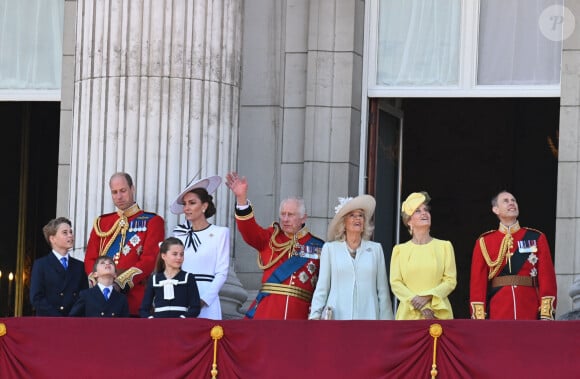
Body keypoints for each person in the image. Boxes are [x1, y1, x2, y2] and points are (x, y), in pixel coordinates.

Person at [225, 171, 324, 319]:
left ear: (303, 218)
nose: (285, 219)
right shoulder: (271, 237)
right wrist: (241, 198)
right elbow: (249, 231)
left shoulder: (318, 246)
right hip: (267, 312)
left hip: (299, 315)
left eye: (290, 215)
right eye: (282, 214)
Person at [84, 172, 165, 316]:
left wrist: (120, 283)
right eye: (114, 192)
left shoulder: (152, 221)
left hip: (134, 299)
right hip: (102, 299)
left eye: (123, 190)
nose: (119, 196)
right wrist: (99, 283)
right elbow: (90, 258)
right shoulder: (102, 223)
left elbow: (149, 260)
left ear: (132, 189)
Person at [470, 191, 557, 320]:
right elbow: (478, 283)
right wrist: (479, 317)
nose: (511, 203)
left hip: (529, 307)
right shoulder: (484, 241)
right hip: (499, 310)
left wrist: (546, 314)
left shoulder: (536, 237)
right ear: (496, 209)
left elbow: (547, 277)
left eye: (513, 200)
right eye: (506, 201)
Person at [309, 195, 393, 320]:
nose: (357, 219)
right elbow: (322, 287)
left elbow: (383, 291)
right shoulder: (330, 249)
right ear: (343, 222)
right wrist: (314, 316)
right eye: (352, 215)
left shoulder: (376, 249)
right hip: (337, 318)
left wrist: (387, 323)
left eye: (360, 215)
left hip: (368, 317)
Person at [389, 192, 457, 320]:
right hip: (408, 313)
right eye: (418, 211)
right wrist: (417, 302)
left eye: (426, 210)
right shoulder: (399, 250)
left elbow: (450, 281)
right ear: (409, 221)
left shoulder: (445, 246)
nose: (424, 213)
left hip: (438, 312)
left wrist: (428, 297)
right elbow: (396, 283)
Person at [170, 176, 230, 320]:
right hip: (181, 297)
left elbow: (221, 273)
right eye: (185, 204)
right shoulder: (178, 234)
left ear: (204, 206)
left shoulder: (220, 233)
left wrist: (203, 300)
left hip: (207, 299)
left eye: (192, 203)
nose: (186, 208)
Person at [30, 217, 88, 316]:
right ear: (52, 239)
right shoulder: (41, 265)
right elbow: (36, 298)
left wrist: (71, 317)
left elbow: (83, 296)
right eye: (65, 233)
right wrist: (58, 318)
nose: (70, 235)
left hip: (73, 322)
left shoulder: (79, 266)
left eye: (71, 232)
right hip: (49, 322)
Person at [139, 237, 201, 318]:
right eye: (175, 254)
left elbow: (195, 307)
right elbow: (144, 309)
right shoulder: (154, 279)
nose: (179, 257)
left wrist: (182, 319)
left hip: (181, 326)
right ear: (164, 256)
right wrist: (152, 320)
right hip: (159, 326)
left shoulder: (188, 278)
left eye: (181, 254)